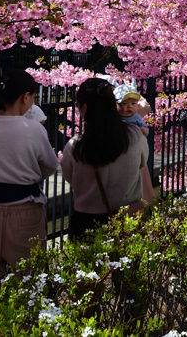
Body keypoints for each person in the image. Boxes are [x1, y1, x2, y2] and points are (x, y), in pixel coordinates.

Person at [0, 69, 59, 299]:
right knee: (28, 283)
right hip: (24, 210)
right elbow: (50, 165)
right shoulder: (34, 129)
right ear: (25, 97)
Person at [61, 78, 154, 240]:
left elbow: (70, 177)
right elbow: (142, 161)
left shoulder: (76, 145)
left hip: (87, 221)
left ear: (83, 107)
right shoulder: (135, 135)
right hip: (128, 219)